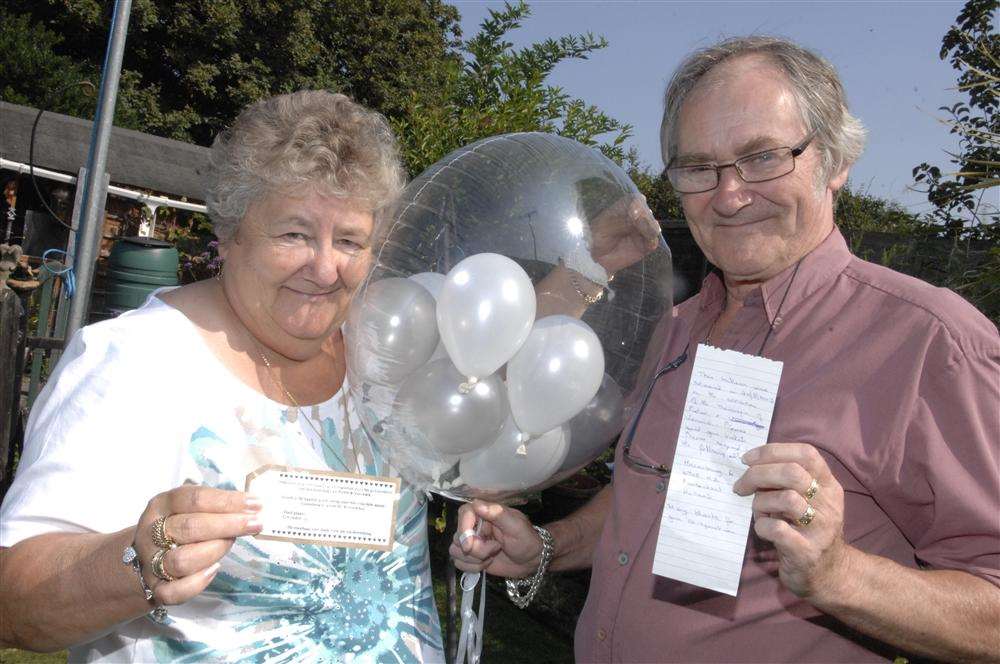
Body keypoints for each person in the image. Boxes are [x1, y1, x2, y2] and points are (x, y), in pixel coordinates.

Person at [451, 36, 1000, 662]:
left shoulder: (931, 343)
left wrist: (840, 576)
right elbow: (656, 499)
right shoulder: (674, 328)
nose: (729, 195)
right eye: (698, 167)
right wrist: (549, 548)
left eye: (763, 157)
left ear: (836, 161)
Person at [0, 91, 445, 661]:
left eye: (351, 241)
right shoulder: (139, 359)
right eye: (295, 234)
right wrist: (139, 563)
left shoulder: (378, 358)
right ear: (232, 232)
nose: (327, 268)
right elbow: (14, 601)